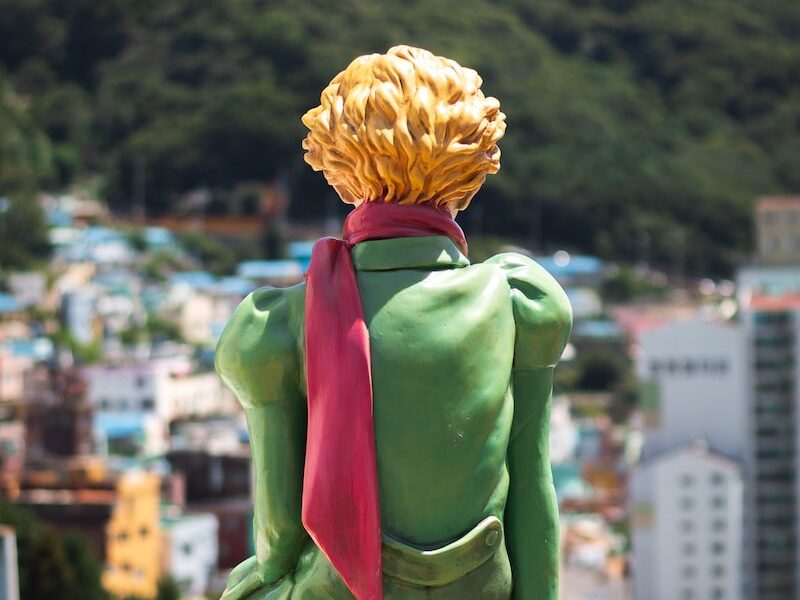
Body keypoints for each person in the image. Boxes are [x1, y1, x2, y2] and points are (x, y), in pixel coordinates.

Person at [216, 45, 572, 600]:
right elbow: (532, 491)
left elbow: (279, 535)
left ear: (339, 163)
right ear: (471, 164)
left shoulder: (278, 326)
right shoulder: (517, 300)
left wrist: (259, 577)